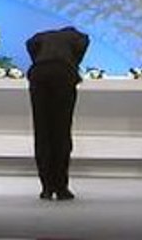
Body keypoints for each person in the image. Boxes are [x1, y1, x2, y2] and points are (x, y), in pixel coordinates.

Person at [26, 26, 90, 201]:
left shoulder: (41, 35)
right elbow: (80, 50)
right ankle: (61, 187)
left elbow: (30, 44)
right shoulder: (79, 37)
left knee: (42, 130)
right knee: (61, 130)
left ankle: (46, 187)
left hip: (39, 74)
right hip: (63, 74)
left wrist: (38, 60)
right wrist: (73, 66)